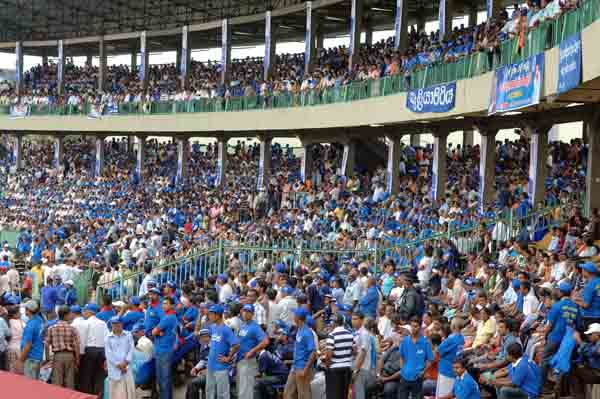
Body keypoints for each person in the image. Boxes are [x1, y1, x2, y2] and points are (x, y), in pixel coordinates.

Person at [206, 304, 239, 399]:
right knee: (209, 392)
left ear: (218, 315)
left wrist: (228, 357)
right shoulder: (212, 327)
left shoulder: (226, 330)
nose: (209, 316)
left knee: (222, 394)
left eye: (211, 314)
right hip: (210, 365)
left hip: (221, 367)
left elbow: (236, 345)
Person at [237, 304, 269, 399]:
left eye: (248, 312)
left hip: (248, 361)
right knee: (241, 388)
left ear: (252, 314)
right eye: (244, 311)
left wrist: (253, 350)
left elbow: (265, 341)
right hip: (240, 360)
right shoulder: (243, 325)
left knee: (246, 390)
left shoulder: (255, 327)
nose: (245, 313)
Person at [397, 316, 434, 399]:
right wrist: (402, 370)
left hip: (417, 378)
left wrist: (423, 372)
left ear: (420, 328)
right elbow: (401, 356)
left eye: (416, 326)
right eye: (412, 326)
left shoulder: (425, 342)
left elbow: (431, 360)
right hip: (404, 377)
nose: (413, 328)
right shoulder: (405, 340)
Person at [44, 305, 80, 389]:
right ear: (66, 315)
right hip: (70, 356)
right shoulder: (72, 329)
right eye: (70, 314)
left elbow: (46, 344)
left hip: (57, 356)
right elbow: (76, 346)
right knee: (70, 381)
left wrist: (47, 358)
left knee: (57, 381)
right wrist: (77, 360)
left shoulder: (51, 328)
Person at [284, 307, 316, 399]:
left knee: (303, 395)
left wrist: (305, 370)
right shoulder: (299, 329)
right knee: (287, 394)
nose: (293, 316)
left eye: (294, 314)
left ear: (297, 317)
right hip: (295, 366)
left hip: (302, 367)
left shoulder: (307, 332)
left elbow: (313, 352)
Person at [152, 296, 178, 399]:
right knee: (164, 378)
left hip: (164, 350)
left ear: (172, 305)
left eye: (166, 303)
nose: (163, 305)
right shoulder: (170, 316)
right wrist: (158, 332)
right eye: (163, 303)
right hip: (165, 349)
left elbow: (154, 331)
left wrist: (157, 332)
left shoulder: (168, 318)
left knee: (163, 379)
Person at [80, 303, 109, 395]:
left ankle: (87, 395)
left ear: (90, 312)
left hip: (89, 350)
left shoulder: (85, 323)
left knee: (86, 375)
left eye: (85, 310)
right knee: (99, 375)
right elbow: (107, 339)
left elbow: (83, 339)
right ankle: (98, 395)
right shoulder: (103, 323)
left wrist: (80, 354)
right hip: (101, 351)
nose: (83, 313)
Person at [323, 313, 354, 399]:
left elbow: (329, 354)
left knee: (333, 395)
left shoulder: (332, 335)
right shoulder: (350, 334)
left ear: (334, 323)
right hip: (347, 368)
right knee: (344, 395)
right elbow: (354, 350)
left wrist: (327, 366)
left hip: (335, 369)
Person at [105, 316, 136, 399]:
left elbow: (131, 349)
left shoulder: (128, 335)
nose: (115, 326)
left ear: (122, 324)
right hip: (114, 368)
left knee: (128, 391)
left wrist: (125, 362)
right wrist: (119, 365)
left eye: (117, 324)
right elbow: (109, 354)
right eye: (113, 324)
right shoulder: (108, 337)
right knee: (116, 393)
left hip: (127, 367)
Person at [436, 318, 465, 397]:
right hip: (454, 370)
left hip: (446, 370)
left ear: (454, 326)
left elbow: (438, 350)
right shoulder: (461, 338)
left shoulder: (451, 339)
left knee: (443, 395)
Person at [19, 299, 45, 380]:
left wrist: (20, 361)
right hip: (38, 357)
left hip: (31, 359)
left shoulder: (31, 325)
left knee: (29, 386)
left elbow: (28, 345)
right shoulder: (40, 320)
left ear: (28, 310)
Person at [352, 311, 375, 399]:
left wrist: (356, 370)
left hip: (362, 368)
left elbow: (363, 353)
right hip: (358, 366)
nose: (353, 321)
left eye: (355, 319)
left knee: (359, 394)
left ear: (361, 320)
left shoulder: (364, 334)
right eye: (352, 319)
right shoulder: (357, 332)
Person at [186, 329, 211, 399]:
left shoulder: (214, 348)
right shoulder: (204, 347)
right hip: (206, 372)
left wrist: (207, 371)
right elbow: (203, 361)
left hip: (214, 374)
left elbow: (217, 363)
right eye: (201, 338)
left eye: (205, 337)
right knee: (190, 383)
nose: (202, 339)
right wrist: (195, 368)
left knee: (192, 384)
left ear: (209, 337)